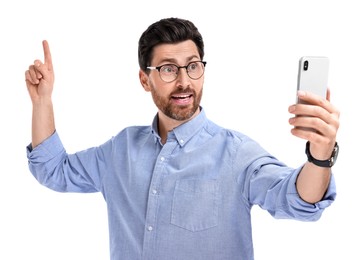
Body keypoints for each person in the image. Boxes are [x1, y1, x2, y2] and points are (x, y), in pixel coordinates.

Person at [25, 17, 340, 260]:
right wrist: (42, 102)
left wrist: (320, 156)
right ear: (144, 79)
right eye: (167, 69)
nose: (184, 82)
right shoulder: (120, 150)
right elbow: (53, 170)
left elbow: (299, 200)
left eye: (192, 67)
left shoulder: (237, 154)